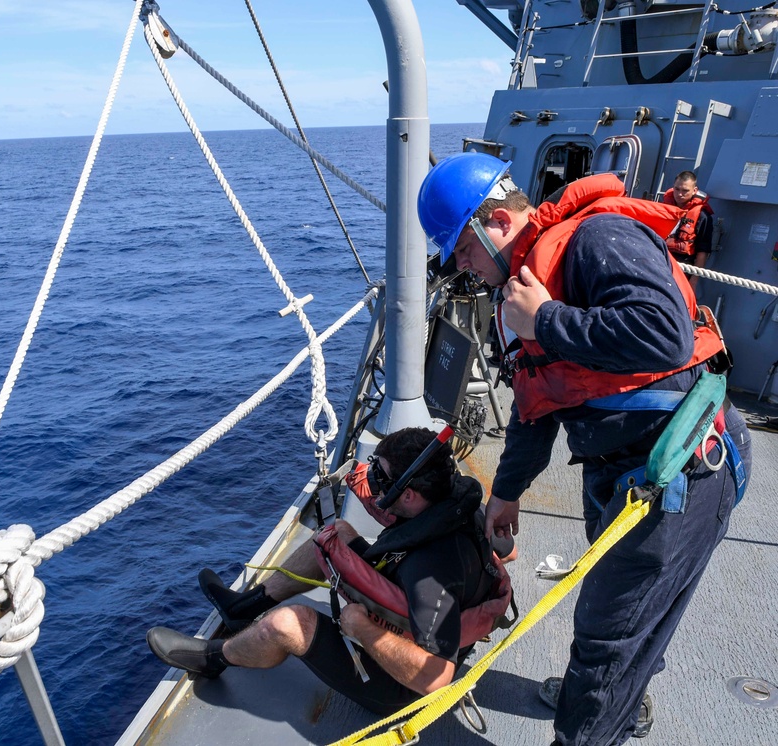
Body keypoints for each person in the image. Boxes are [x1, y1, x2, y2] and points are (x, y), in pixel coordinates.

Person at [417, 153, 752, 746]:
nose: (463, 267)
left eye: (462, 251)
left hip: (680, 467)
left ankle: (590, 721)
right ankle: (618, 696)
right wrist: (508, 493)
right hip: (624, 469)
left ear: (495, 221)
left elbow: (664, 335)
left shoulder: (595, 240)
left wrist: (545, 319)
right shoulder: (519, 291)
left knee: (609, 633)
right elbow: (534, 397)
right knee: (623, 615)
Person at [146, 427, 515, 716]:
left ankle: (214, 659)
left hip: (402, 687)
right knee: (335, 533)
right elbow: (506, 551)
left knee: (288, 625)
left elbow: (436, 679)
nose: (373, 482)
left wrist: (365, 631)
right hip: (409, 606)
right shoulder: (457, 502)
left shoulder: (430, 575)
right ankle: (243, 607)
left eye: (382, 478)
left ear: (409, 496)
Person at [661, 170, 714, 289]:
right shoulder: (662, 208)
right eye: (677, 189)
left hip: (682, 269)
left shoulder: (702, 217)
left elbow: (702, 252)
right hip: (659, 263)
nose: (680, 194)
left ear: (694, 190)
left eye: (685, 191)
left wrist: (693, 282)